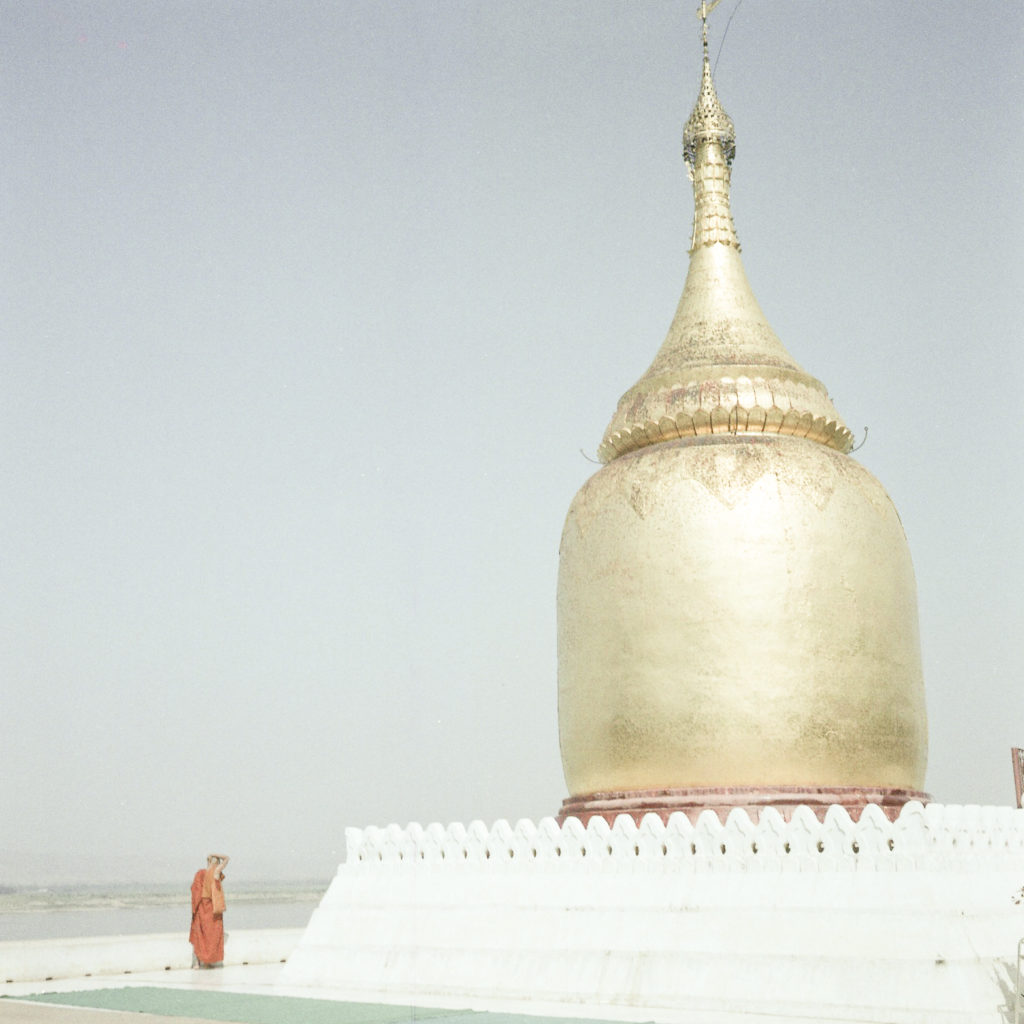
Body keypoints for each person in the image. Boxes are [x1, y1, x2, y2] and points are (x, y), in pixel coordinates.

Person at [189, 853, 229, 968]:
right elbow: (227, 858)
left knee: (201, 934)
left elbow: (195, 890)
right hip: (212, 907)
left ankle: (197, 962)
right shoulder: (216, 871)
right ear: (217, 863)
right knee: (212, 934)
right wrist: (214, 854)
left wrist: (210, 857)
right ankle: (208, 961)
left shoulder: (202, 873)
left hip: (201, 905)